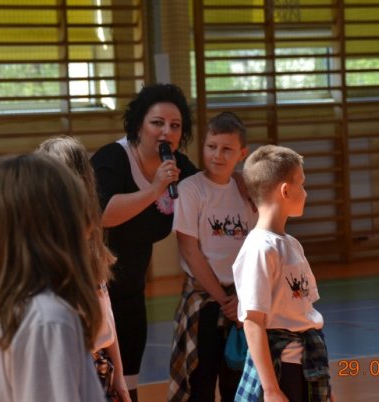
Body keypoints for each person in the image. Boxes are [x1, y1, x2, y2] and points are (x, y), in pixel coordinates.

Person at [90, 83, 199, 401]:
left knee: (129, 384)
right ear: (139, 125)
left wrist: (240, 181)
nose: (167, 131)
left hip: (132, 291)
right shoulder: (112, 159)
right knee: (97, 383)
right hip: (93, 290)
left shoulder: (178, 166)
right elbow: (103, 215)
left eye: (175, 126)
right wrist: (154, 190)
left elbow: (209, 193)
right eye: (157, 123)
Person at [0, 154, 104, 401]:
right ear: (59, 226)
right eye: (78, 210)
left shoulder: (24, 307)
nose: (89, 224)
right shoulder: (47, 319)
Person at [232, 145, 335, 402]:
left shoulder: (292, 245)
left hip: (306, 365)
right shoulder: (260, 249)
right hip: (282, 369)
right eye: (302, 183)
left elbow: (304, 310)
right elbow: (253, 321)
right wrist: (270, 389)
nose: (306, 192)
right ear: (285, 190)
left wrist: (326, 387)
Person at [168, 112, 257, 402]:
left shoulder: (247, 193)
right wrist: (223, 299)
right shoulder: (191, 189)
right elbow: (190, 250)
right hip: (205, 302)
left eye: (227, 149)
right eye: (211, 146)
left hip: (241, 302)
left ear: (242, 154)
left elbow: (256, 249)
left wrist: (242, 298)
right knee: (200, 383)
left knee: (237, 384)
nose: (217, 155)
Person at [36, 135, 130, 402]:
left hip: (95, 367)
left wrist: (119, 374)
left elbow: (105, 313)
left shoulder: (88, 238)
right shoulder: (40, 245)